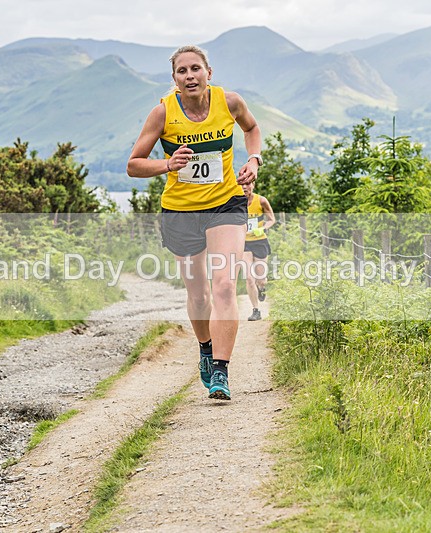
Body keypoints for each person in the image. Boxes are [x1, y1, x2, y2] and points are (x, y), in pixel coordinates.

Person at [127, 45, 262, 401]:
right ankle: (204, 346)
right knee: (199, 293)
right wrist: (167, 165)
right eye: (182, 71)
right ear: (174, 79)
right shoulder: (163, 113)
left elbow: (252, 128)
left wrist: (254, 160)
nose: (189, 76)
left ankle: (220, 369)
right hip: (181, 211)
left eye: (195, 69)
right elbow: (134, 164)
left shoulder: (229, 102)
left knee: (223, 287)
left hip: (226, 205)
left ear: (209, 72)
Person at [242, 181, 275, 321]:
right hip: (243, 243)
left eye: (247, 184)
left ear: (253, 185)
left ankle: (262, 288)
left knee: (261, 280)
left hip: (260, 241)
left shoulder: (261, 200)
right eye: (241, 185)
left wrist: (263, 228)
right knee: (249, 278)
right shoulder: (235, 203)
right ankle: (256, 310)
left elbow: (271, 219)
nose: (244, 187)